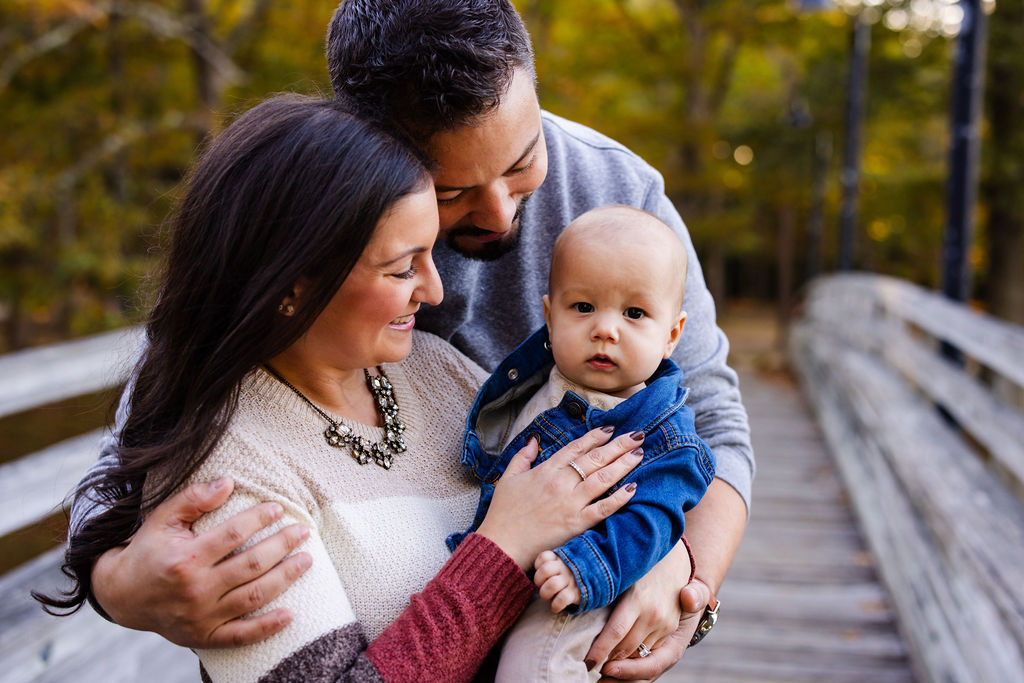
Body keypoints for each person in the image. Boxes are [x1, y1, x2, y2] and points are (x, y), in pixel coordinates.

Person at [74, 1, 753, 679]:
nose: (498, 212)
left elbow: (708, 412)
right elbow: (162, 422)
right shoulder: (321, 208)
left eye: (522, 161)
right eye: (453, 190)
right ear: (370, 145)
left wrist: (683, 571)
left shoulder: (616, 191)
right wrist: (117, 581)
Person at [39, 94, 648, 681]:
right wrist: (502, 548)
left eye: (430, 255)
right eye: (402, 268)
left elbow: (602, 473)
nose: (436, 293)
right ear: (292, 284)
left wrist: (665, 563)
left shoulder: (438, 371)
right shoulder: (230, 474)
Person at [448, 205, 716, 681]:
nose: (605, 329)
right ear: (550, 317)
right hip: (504, 568)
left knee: (533, 670)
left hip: (577, 593)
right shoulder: (529, 381)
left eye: (635, 313)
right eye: (583, 307)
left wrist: (585, 567)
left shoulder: (665, 438)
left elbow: (653, 522)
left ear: (672, 334)